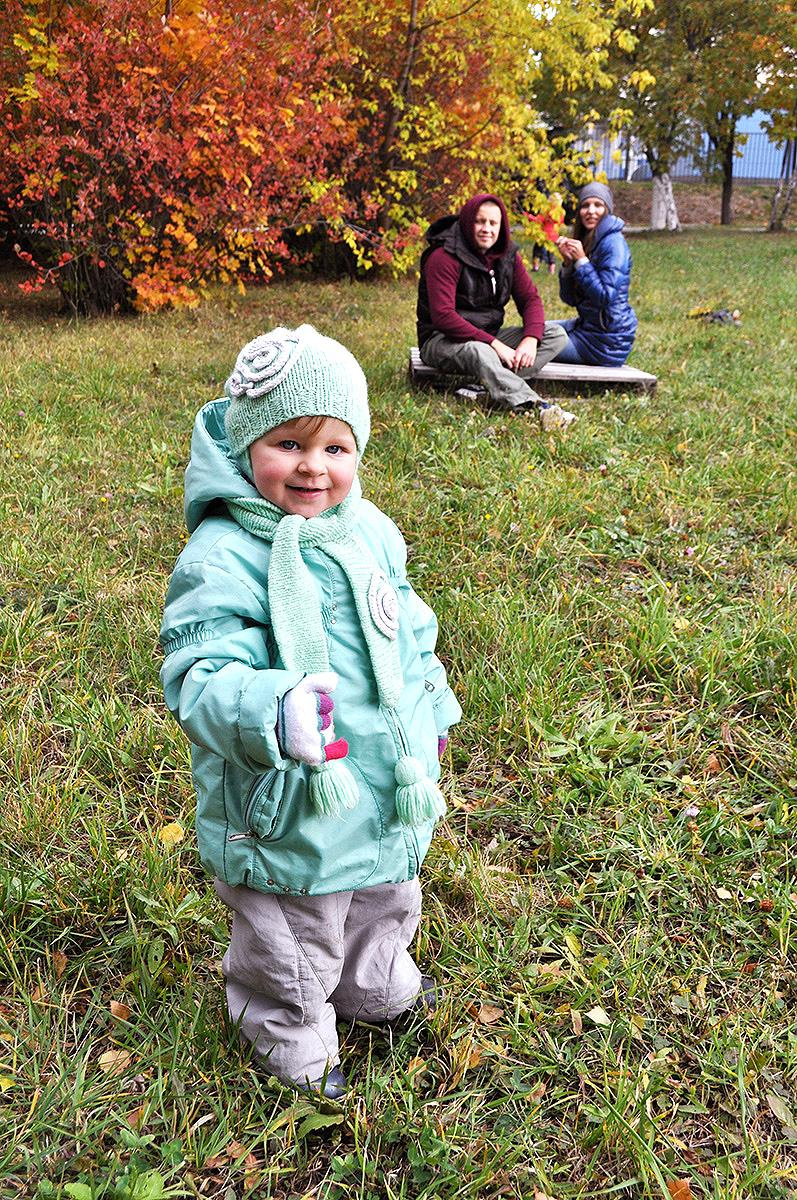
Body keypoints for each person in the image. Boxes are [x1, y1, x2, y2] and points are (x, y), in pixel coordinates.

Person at [159, 325, 461, 1100]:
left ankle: (374, 987)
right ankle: (285, 1034)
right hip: (288, 792)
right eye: (288, 443)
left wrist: (428, 703)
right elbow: (198, 672)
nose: (312, 467)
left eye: (335, 448)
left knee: (383, 894)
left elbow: (407, 626)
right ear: (245, 441)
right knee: (294, 928)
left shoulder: (369, 532)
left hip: (379, 779)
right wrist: (272, 706)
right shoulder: (223, 556)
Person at [416, 193, 576, 430]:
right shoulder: (443, 256)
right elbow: (444, 316)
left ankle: (483, 387)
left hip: (486, 337)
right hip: (440, 340)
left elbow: (530, 299)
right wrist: (494, 344)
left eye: (493, 223)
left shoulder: (507, 255)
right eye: (480, 221)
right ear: (467, 222)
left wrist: (531, 340)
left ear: (502, 227)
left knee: (556, 335)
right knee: (480, 351)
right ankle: (535, 406)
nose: (486, 229)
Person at [553, 182, 637, 366]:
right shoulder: (589, 239)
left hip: (605, 343)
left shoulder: (613, 244)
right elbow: (570, 299)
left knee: (533, 343)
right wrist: (568, 264)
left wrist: (582, 262)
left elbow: (605, 297)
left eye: (598, 205)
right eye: (585, 205)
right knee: (534, 330)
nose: (591, 211)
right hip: (587, 327)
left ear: (607, 209)